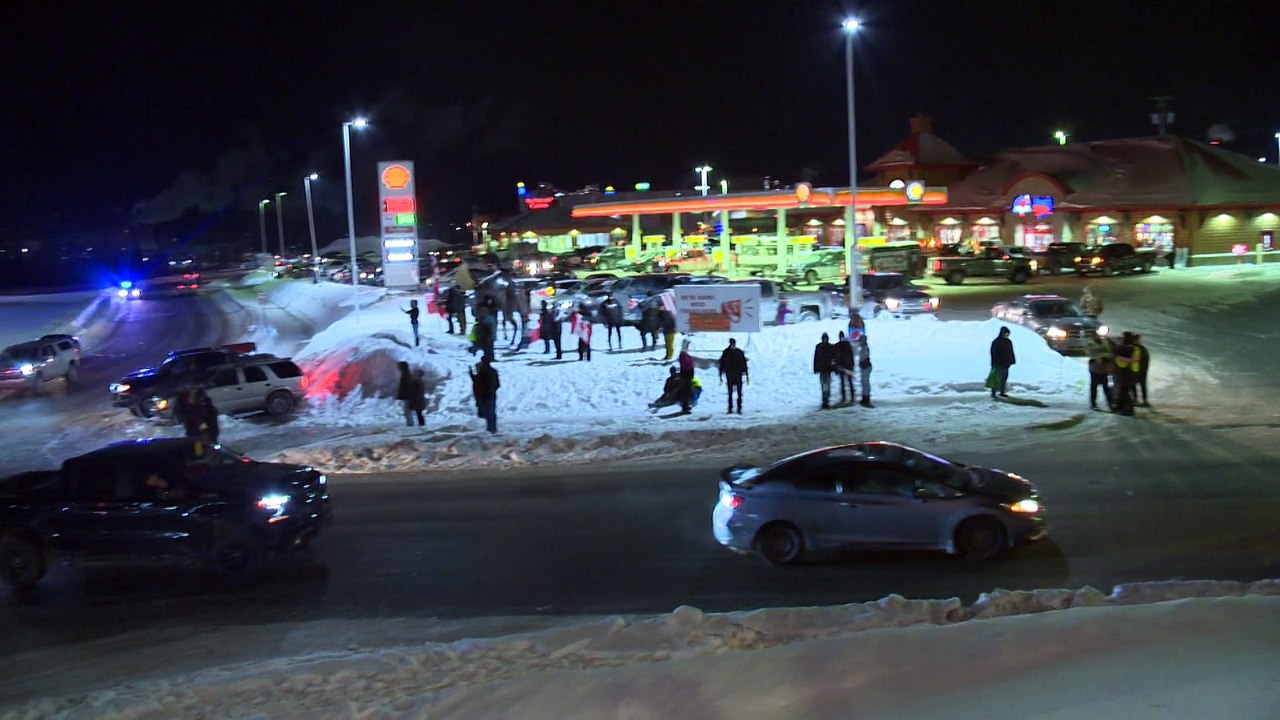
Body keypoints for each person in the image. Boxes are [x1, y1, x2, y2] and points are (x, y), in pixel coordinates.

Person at [469, 357, 500, 433]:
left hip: (484, 396)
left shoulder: (482, 372)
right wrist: (493, 390)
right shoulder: (493, 371)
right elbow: (498, 384)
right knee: (491, 412)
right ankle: (492, 428)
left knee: (488, 413)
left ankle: (491, 429)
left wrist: (471, 373)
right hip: (491, 395)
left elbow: (476, 381)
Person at [718, 337, 749, 414]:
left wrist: (721, 371)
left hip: (732, 373)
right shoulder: (738, 352)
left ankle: (735, 408)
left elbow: (722, 362)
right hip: (735, 373)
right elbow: (744, 363)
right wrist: (745, 372)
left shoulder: (727, 352)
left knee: (734, 392)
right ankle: (735, 408)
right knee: (734, 392)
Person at [1084, 334, 1114, 411]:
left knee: (1105, 387)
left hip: (1103, 369)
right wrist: (1103, 351)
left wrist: (1101, 354)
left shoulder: (1105, 343)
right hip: (1095, 369)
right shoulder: (1090, 343)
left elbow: (1110, 354)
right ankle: (1093, 404)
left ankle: (1111, 404)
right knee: (1094, 387)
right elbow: (1091, 353)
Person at [1111, 332, 1136, 416]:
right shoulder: (1128, 348)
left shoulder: (1129, 348)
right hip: (1122, 373)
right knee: (1122, 390)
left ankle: (1128, 409)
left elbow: (1116, 351)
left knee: (1124, 391)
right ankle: (1121, 406)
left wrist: (1115, 344)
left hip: (1125, 373)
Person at [989, 326, 1015, 398]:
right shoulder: (996, 342)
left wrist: (1011, 361)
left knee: (1004, 378)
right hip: (998, 364)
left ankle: (1002, 392)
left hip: (1006, 364)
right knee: (996, 378)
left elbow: (1011, 352)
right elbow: (993, 353)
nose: (1007, 335)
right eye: (1006, 334)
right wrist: (995, 362)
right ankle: (993, 392)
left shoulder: (1008, 342)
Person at [813, 332, 835, 409]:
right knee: (824, 386)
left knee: (827, 386)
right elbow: (816, 358)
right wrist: (816, 368)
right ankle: (824, 401)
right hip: (822, 369)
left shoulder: (830, 347)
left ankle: (826, 400)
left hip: (827, 369)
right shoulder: (819, 347)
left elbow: (833, 358)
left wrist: (833, 368)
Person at [833, 331, 855, 404]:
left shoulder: (841, 345)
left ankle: (849, 397)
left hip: (845, 367)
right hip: (844, 367)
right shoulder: (846, 345)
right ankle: (847, 397)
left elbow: (851, 356)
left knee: (847, 382)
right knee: (845, 383)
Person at [677, 339, 696, 414]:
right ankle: (685, 407)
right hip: (686, 376)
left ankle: (687, 405)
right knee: (686, 391)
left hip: (688, 375)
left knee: (687, 391)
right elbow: (686, 365)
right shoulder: (683, 354)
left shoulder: (685, 354)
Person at [396, 361, 416, 426]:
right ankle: (410, 423)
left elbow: (406, 386)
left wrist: (403, 395)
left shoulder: (406, 375)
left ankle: (410, 423)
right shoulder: (406, 374)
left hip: (408, 395)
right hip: (408, 395)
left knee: (407, 410)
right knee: (407, 410)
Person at [1133, 334, 1151, 407]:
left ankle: (1138, 400)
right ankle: (1140, 400)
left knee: (1138, 385)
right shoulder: (1142, 349)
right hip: (1140, 370)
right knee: (1140, 385)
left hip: (1138, 370)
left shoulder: (1139, 349)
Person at [858, 339, 874, 408]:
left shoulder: (865, 348)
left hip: (865, 367)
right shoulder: (863, 348)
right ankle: (864, 397)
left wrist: (861, 363)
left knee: (865, 383)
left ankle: (866, 398)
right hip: (864, 367)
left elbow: (864, 358)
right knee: (864, 383)